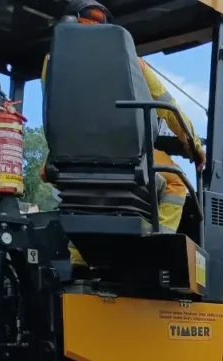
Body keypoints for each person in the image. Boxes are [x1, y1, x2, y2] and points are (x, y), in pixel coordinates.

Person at [42, 0, 206, 263]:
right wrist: (194, 146)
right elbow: (168, 106)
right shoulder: (134, 63)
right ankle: (159, 246)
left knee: (79, 201)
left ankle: (78, 260)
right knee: (175, 181)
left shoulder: (52, 61)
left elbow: (58, 106)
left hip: (67, 160)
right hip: (125, 159)